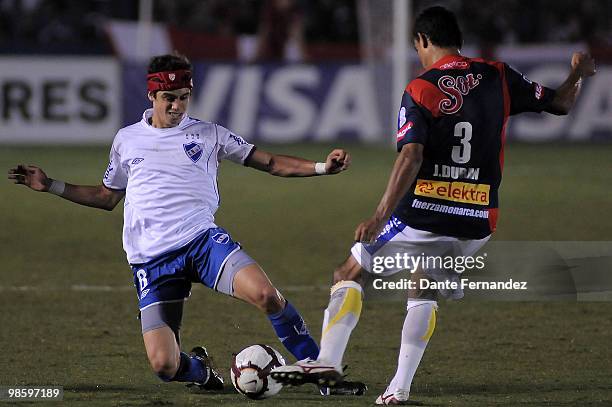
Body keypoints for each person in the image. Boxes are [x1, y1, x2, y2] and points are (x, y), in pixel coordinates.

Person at [271, 6, 596, 405]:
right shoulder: (498, 76)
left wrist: (379, 215)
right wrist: (578, 73)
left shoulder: (421, 88)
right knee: (422, 286)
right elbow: (561, 104)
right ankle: (399, 390)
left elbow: (410, 156)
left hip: (424, 212)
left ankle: (327, 361)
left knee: (349, 272)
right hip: (478, 220)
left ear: (423, 41)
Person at [7, 53, 366, 396]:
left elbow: (270, 162)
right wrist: (51, 185)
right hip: (151, 261)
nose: (177, 106)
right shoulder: (127, 139)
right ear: (151, 95)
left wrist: (321, 167)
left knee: (267, 295)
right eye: (169, 98)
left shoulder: (209, 134)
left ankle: (323, 373)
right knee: (164, 365)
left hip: (202, 243)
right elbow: (106, 196)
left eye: (183, 98)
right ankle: (202, 371)